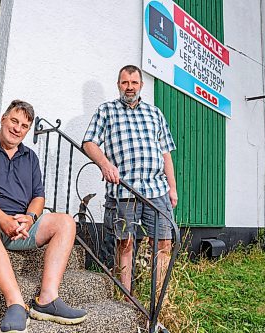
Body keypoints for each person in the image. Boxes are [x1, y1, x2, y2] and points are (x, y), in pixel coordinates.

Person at [0, 100, 87, 333]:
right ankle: (15, 302)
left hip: (19, 226)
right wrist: (2, 219)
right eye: (14, 121)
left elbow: (38, 197)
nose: (17, 128)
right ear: (3, 119)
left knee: (65, 221)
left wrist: (30, 217)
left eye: (24, 125)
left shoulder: (31, 158)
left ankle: (47, 300)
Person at [82, 65, 177, 293]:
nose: (130, 87)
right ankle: (126, 296)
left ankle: (158, 297)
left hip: (157, 190)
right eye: (125, 82)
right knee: (125, 243)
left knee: (163, 243)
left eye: (134, 83)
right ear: (118, 85)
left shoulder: (155, 113)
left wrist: (172, 188)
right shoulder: (106, 111)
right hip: (124, 191)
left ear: (141, 85)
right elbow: (89, 143)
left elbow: (166, 153)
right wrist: (105, 164)